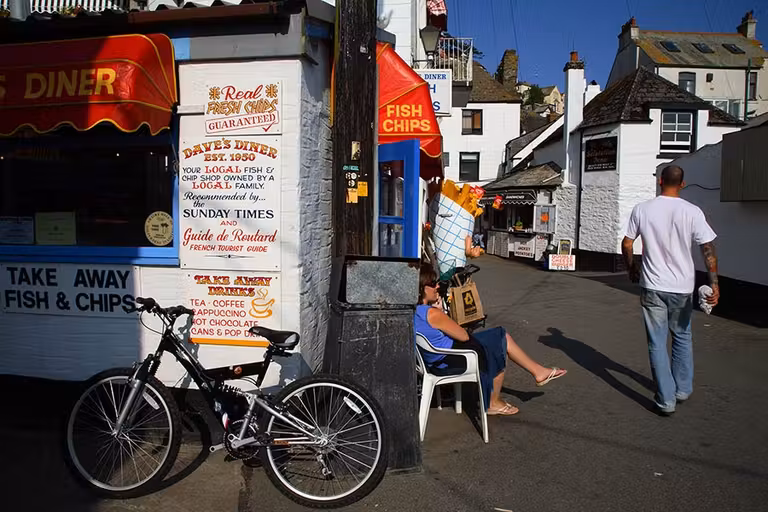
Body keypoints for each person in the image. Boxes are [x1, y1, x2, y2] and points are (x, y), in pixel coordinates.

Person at [622, 165, 719, 416]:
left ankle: (666, 401)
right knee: (682, 336)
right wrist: (715, 283)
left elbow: (627, 242)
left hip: (653, 285)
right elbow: (707, 249)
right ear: (683, 184)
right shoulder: (692, 211)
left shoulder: (642, 209)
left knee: (656, 343)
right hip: (682, 287)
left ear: (660, 181)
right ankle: (683, 389)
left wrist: (632, 268)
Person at [415, 263, 566, 415]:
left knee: (500, 336)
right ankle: (493, 402)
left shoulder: (412, 311)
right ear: (422, 288)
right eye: (433, 283)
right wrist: (441, 311)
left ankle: (538, 372)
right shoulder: (432, 314)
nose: (438, 286)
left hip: (433, 360)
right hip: (451, 360)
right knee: (499, 341)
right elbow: (463, 335)